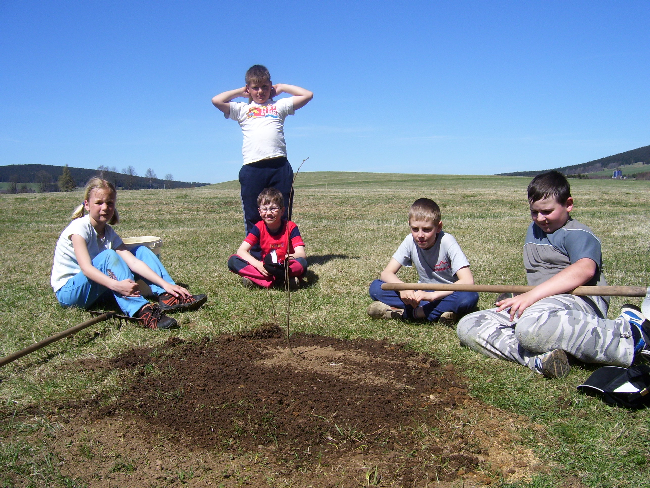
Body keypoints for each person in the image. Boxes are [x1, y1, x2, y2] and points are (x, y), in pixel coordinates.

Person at [456, 170, 650, 378]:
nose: (540, 218)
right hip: (541, 305)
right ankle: (539, 359)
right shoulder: (535, 229)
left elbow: (584, 269)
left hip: (580, 302)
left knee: (529, 329)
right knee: (469, 325)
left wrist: (532, 295)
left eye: (547, 212)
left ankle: (631, 334)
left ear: (568, 204)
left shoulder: (577, 233)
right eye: (534, 212)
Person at [51, 177, 207, 330]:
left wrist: (165, 283)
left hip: (96, 289)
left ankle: (168, 294)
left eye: (109, 203)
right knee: (109, 256)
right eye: (98, 203)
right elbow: (86, 268)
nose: (105, 207)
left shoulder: (108, 232)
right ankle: (142, 312)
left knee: (140, 251)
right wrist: (116, 285)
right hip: (70, 293)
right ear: (87, 204)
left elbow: (134, 262)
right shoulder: (79, 228)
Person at [212, 64, 313, 255]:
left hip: (279, 165)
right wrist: (241, 93)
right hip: (252, 168)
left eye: (265, 87)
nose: (260, 92)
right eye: (255, 88)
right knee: (253, 213)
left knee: (280, 212)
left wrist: (282, 88)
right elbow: (216, 100)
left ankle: (283, 256)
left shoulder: (278, 106)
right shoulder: (242, 109)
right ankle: (257, 257)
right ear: (248, 89)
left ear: (271, 87)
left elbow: (307, 95)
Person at [368, 198, 479, 324]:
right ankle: (437, 313)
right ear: (409, 224)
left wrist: (433, 295)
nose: (420, 235)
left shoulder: (447, 241)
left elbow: (467, 281)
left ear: (439, 227)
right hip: (421, 295)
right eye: (415, 229)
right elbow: (386, 273)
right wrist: (403, 288)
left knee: (469, 297)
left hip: (446, 295)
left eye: (426, 230)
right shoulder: (410, 240)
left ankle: (410, 313)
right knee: (376, 287)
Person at [227, 187, 307, 289]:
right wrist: (258, 265)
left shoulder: (291, 227)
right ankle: (283, 280)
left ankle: (258, 281)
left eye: (273, 208)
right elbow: (241, 251)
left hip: (284, 265)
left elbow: (301, 254)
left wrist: (285, 258)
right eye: (264, 209)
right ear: (259, 211)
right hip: (265, 267)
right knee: (233, 260)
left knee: (302, 263)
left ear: (282, 211)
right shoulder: (258, 227)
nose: (268, 213)